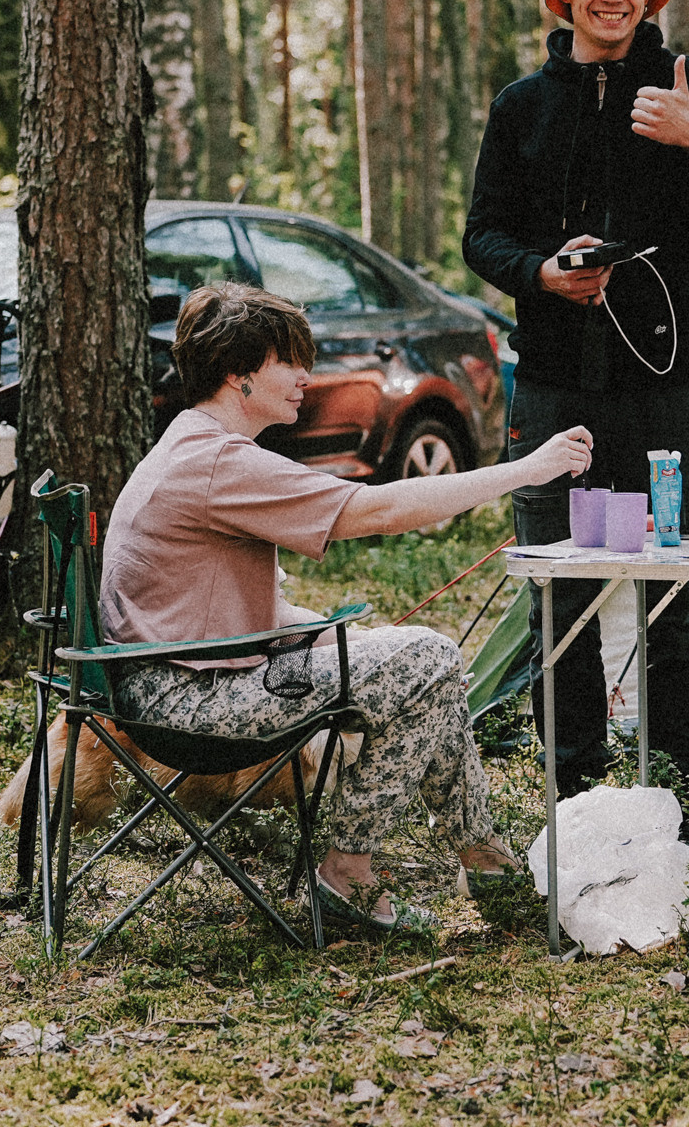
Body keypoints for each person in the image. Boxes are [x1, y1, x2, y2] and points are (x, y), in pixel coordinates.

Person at [98, 282, 594, 933]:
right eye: (288, 360)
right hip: (189, 705)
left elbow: (224, 605)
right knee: (429, 656)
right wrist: (525, 470)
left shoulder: (198, 448)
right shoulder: (216, 461)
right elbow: (379, 509)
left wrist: (352, 640)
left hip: (176, 682)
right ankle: (351, 872)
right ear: (237, 374)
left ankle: (484, 859)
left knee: (422, 662)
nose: (306, 375)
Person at [462, 0, 689, 793]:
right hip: (557, 391)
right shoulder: (523, 105)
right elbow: (480, 237)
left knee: (672, 597)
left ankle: (681, 788)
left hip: (666, 393)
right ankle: (574, 794)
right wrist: (541, 272)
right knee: (560, 600)